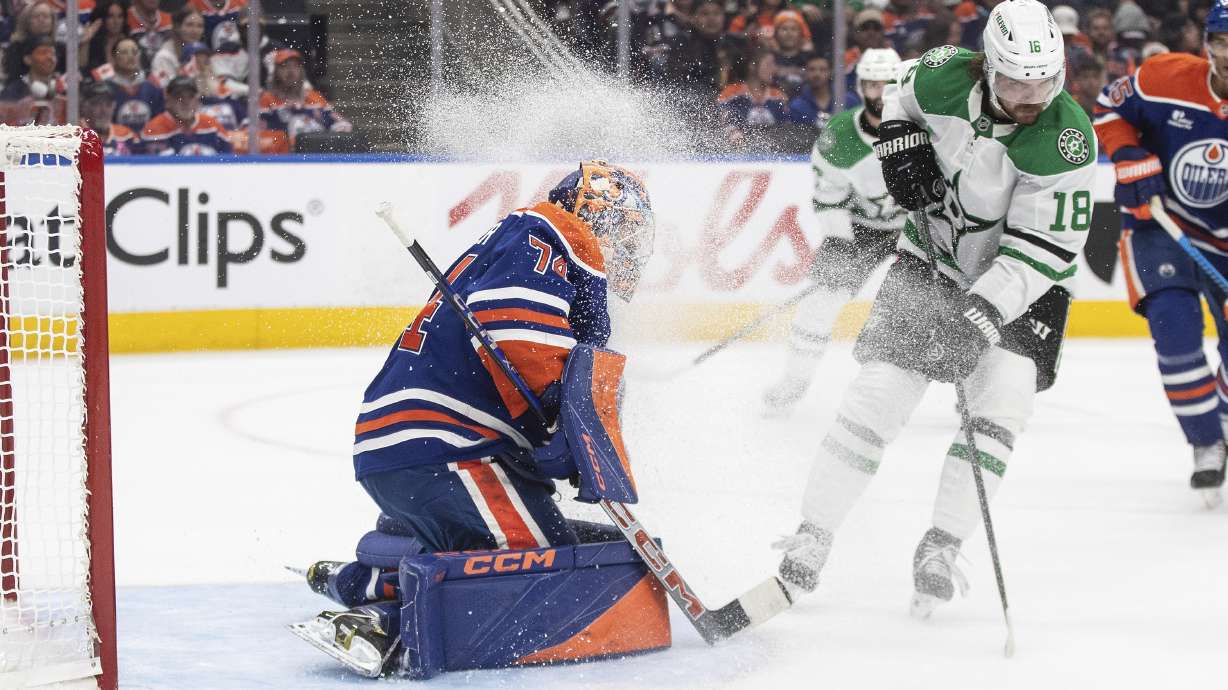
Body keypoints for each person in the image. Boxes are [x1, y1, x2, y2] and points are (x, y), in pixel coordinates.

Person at [774, 0, 1095, 619]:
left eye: (1045, 81)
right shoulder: (943, 71)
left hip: (1027, 286)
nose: (1033, 97)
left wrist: (984, 309)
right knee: (876, 396)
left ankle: (943, 544)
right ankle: (813, 533)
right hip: (931, 263)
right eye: (1017, 82)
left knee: (1000, 404)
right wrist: (901, 135)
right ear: (987, 69)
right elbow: (900, 98)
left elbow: (1040, 251)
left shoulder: (1065, 138)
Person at [295, 160, 655, 675]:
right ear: (594, 211)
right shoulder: (552, 235)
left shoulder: (520, 239)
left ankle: (365, 577)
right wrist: (558, 412)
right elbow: (511, 322)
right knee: (542, 564)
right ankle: (381, 621)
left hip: (412, 445)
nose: (628, 244)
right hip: (448, 447)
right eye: (623, 227)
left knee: (498, 548)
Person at [1093, 3, 1228, 506]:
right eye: (1222, 41)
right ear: (1207, 45)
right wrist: (1128, 154)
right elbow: (1108, 108)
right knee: (1174, 328)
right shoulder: (1162, 76)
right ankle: (1206, 443)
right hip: (1161, 227)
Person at [765, 48, 904, 415]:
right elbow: (828, 198)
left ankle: (966, 384)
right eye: (873, 84)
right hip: (859, 229)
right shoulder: (840, 135)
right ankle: (794, 382)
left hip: (916, 228)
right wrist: (840, 239)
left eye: (889, 84)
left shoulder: (928, 129)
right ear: (861, 87)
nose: (881, 93)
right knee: (818, 304)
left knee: (939, 306)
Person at [256, 48, 349, 153]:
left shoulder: (315, 97)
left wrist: (337, 130)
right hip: (282, 159)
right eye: (284, 66)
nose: (290, 71)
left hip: (317, 156)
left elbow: (341, 124)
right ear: (276, 72)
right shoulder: (266, 99)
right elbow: (255, 135)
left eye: (295, 66)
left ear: (302, 71)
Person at [140, 75, 231, 155]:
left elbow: (228, 164)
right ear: (168, 101)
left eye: (190, 96)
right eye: (179, 97)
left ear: (197, 100)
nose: (186, 102)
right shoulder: (154, 129)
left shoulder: (212, 126)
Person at [718, 49, 788, 148]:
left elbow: (787, 128)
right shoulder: (730, 94)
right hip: (737, 151)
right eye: (769, 65)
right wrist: (733, 132)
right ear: (753, 66)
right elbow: (720, 121)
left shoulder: (778, 96)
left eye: (774, 65)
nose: (774, 69)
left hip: (773, 152)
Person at [93, 36, 163, 132]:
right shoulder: (104, 86)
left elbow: (159, 119)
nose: (131, 56)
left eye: (135, 52)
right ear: (114, 57)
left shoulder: (153, 84)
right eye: (124, 52)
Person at [786, 54, 846, 128]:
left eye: (822, 69)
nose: (817, 74)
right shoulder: (797, 107)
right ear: (805, 72)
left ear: (830, 72)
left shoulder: (847, 101)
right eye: (812, 69)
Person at [150, 6, 204, 87]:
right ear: (177, 27)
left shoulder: (201, 53)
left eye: (199, 26)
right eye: (189, 25)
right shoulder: (163, 57)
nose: (195, 31)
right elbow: (166, 91)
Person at [80, 79, 138, 154]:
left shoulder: (126, 135)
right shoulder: (72, 136)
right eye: (97, 104)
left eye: (108, 104)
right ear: (85, 107)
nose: (104, 111)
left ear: (114, 106)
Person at [83, 0, 129, 73]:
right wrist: (85, 40)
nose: (116, 21)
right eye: (110, 16)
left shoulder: (130, 43)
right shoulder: (94, 44)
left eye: (120, 16)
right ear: (103, 19)